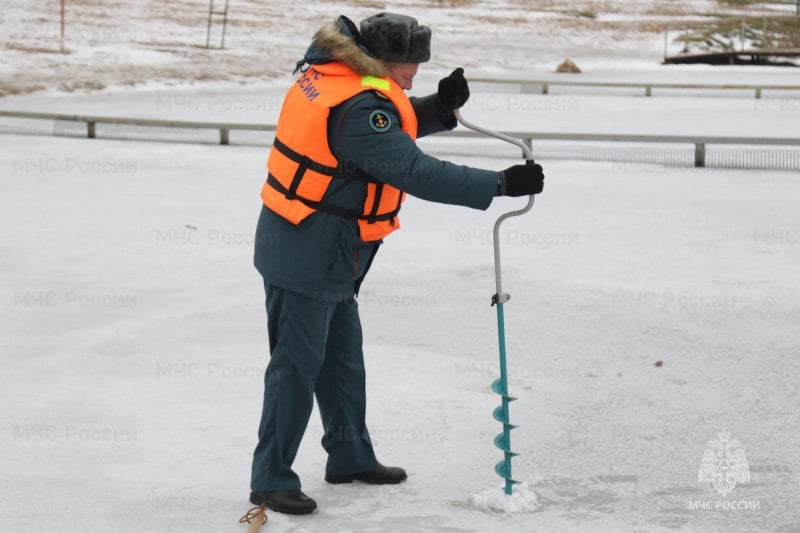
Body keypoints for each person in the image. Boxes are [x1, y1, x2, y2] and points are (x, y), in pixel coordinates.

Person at [249, 12, 544, 515]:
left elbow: (391, 118)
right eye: (409, 68)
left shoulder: (343, 78)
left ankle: (349, 457)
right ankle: (270, 478)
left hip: (331, 247)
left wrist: (440, 107)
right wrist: (496, 185)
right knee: (296, 368)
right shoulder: (359, 106)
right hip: (306, 249)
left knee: (342, 363)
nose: (413, 76)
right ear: (380, 60)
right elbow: (412, 168)